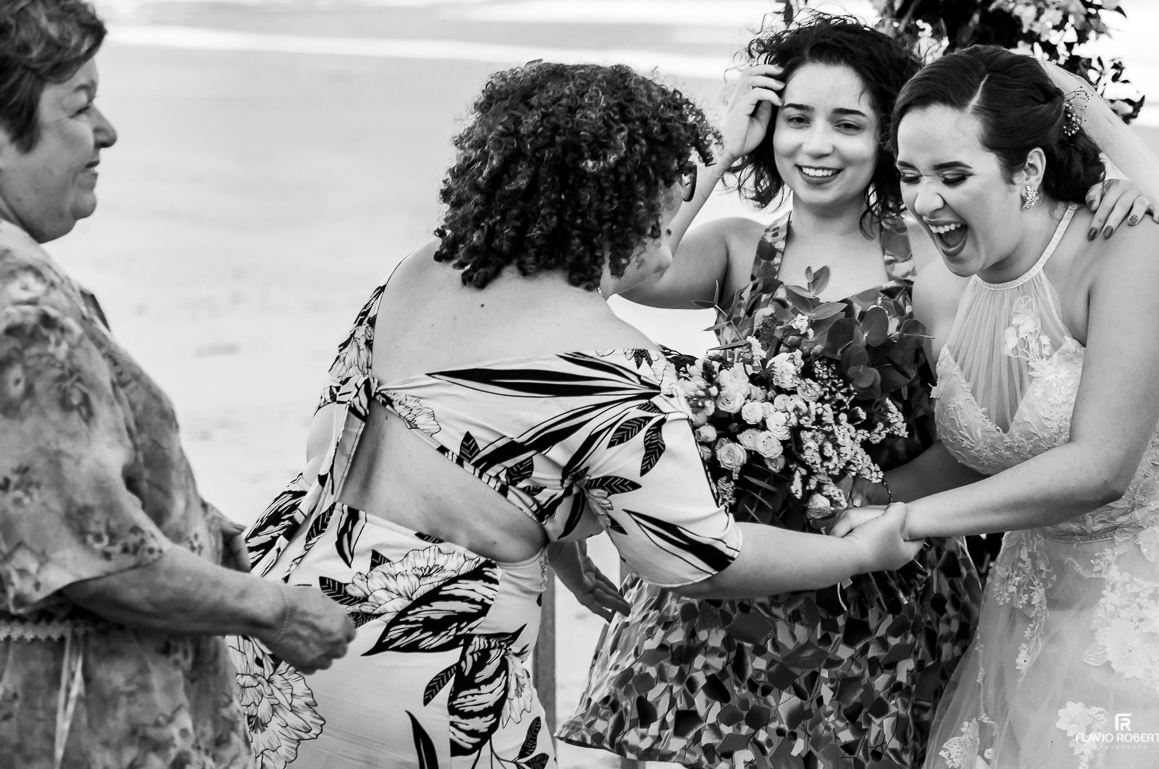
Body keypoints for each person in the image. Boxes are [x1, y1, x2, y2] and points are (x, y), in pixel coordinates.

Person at [229, 60, 925, 769]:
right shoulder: (613, 362)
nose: (682, 200)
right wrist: (860, 552)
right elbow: (699, 560)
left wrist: (550, 529)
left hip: (268, 614)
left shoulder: (425, 267)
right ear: (623, 204)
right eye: (670, 186)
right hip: (419, 668)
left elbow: (426, 443)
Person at [560, 13, 1158, 769]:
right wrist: (720, 148)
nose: (816, 145)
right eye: (794, 120)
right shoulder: (742, 249)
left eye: (847, 123)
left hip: (876, 582)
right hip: (735, 581)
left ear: (887, 140)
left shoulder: (938, 256)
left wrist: (860, 501)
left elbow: (987, 429)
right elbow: (623, 267)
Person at [0, 0, 356, 769]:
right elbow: (96, 558)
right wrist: (274, 608)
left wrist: (237, 546)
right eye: (79, 103)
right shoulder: (21, 311)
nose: (107, 129)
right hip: (74, 729)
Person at [836, 44, 1159, 767]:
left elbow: (1099, 466)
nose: (924, 200)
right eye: (909, 175)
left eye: (952, 175)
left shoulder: (1126, 250)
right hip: (1032, 600)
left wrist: (904, 521)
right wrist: (850, 494)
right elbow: (981, 456)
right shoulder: (943, 287)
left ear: (1028, 171)